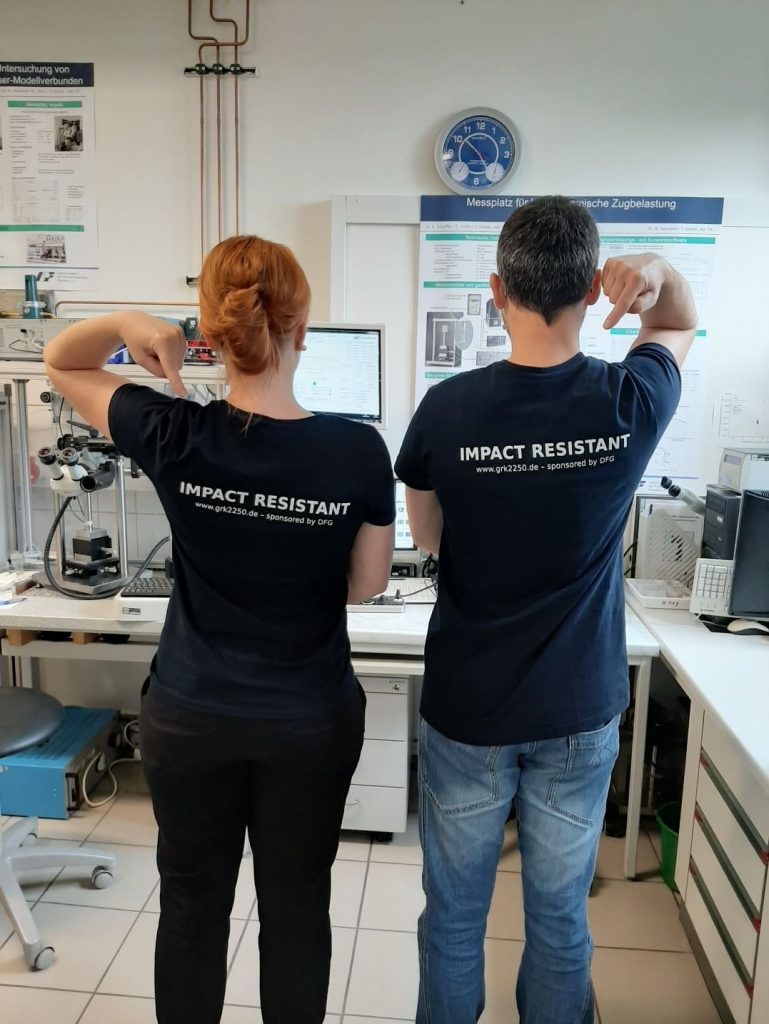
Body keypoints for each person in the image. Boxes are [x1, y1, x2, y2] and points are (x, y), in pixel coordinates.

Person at [43, 235, 395, 1024]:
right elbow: (367, 586)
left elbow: (63, 362)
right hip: (309, 719)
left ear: (208, 335)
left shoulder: (174, 432)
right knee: (297, 910)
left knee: (192, 907)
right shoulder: (356, 451)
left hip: (192, 714)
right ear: (301, 330)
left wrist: (130, 319)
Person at [395, 195, 697, 1024]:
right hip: (576, 709)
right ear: (591, 286)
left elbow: (431, 539)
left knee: (453, 921)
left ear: (498, 289)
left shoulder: (445, 412)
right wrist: (658, 275)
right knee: (559, 922)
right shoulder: (626, 403)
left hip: (468, 707)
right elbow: (676, 325)